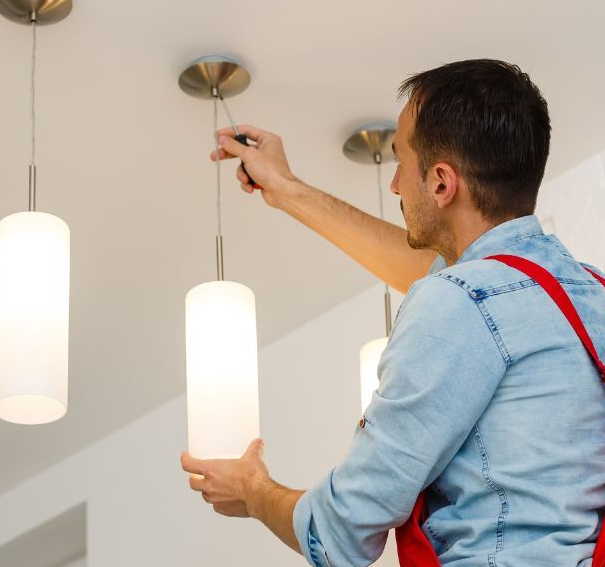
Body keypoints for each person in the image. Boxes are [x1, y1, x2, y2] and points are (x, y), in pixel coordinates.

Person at [180, 59, 605, 566]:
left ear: (442, 183)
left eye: (401, 163)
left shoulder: (459, 303)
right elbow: (451, 279)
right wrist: (289, 189)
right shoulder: (584, 293)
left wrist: (252, 489)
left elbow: (340, 532)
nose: (395, 184)